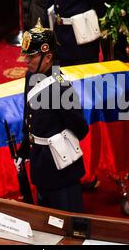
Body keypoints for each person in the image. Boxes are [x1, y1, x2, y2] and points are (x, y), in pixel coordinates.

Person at [16, 19, 89, 212]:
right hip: (40, 165)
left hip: (61, 169)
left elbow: (81, 128)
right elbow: (28, 116)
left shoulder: (61, 86)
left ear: (47, 57)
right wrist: (24, 149)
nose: (26, 60)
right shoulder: (31, 76)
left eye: (31, 56)